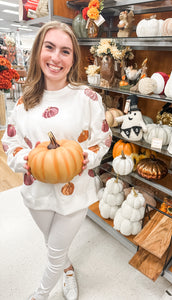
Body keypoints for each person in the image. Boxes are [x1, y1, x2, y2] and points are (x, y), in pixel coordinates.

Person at [2, 21, 112, 300]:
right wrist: (25, 160)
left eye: (65, 51)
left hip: (74, 192)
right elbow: (10, 143)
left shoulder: (88, 98)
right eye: (49, 47)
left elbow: (102, 140)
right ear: (39, 50)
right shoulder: (23, 103)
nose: (55, 57)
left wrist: (89, 156)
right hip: (36, 193)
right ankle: (68, 269)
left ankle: (40, 294)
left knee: (53, 251)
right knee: (53, 243)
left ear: (73, 58)